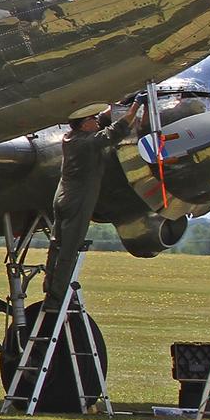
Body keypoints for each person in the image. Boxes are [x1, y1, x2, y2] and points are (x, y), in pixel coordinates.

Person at [43, 100, 146, 310]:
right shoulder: (87, 143)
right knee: (69, 250)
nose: (97, 121)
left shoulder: (70, 138)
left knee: (56, 245)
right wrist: (135, 107)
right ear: (84, 124)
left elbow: (102, 121)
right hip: (78, 201)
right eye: (92, 119)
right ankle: (57, 297)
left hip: (62, 198)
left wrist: (118, 106)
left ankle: (49, 286)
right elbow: (115, 132)